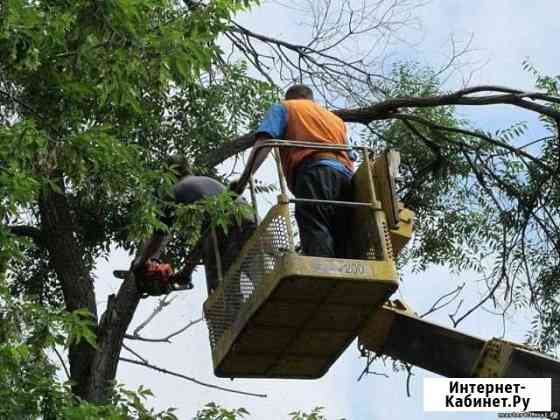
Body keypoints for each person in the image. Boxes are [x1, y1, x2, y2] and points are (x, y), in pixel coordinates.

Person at [234, 84, 354, 258]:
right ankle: (347, 274)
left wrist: (244, 179)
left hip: (315, 171)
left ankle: (321, 276)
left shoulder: (285, 107)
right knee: (340, 232)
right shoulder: (335, 120)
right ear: (311, 99)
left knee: (314, 222)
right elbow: (350, 154)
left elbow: (264, 143)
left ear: (289, 97)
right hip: (345, 176)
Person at [132, 168, 257, 297]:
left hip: (227, 231)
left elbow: (157, 237)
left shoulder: (176, 190)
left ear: (171, 177)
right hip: (251, 222)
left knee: (224, 291)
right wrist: (186, 271)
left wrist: (142, 262)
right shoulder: (207, 185)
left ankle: (235, 314)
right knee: (264, 273)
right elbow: (204, 241)